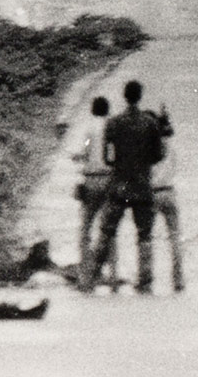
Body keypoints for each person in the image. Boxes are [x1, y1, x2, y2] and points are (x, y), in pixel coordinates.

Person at [80, 80, 165, 294]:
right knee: (144, 234)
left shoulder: (114, 123)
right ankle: (145, 281)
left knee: (106, 231)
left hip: (120, 185)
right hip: (143, 185)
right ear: (140, 96)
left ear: (125, 96)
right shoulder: (150, 123)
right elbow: (158, 155)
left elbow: (108, 158)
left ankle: (93, 277)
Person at [72, 96, 117, 287]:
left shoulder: (90, 128)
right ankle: (113, 273)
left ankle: (85, 276)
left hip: (91, 180)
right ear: (107, 111)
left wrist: (78, 157)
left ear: (92, 110)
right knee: (108, 228)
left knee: (86, 228)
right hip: (109, 180)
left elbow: (83, 152)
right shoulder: (112, 128)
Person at [150, 105, 185, 292]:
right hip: (170, 191)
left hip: (153, 192)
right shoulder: (172, 145)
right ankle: (178, 278)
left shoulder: (150, 146)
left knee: (147, 236)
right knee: (175, 236)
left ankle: (147, 275)